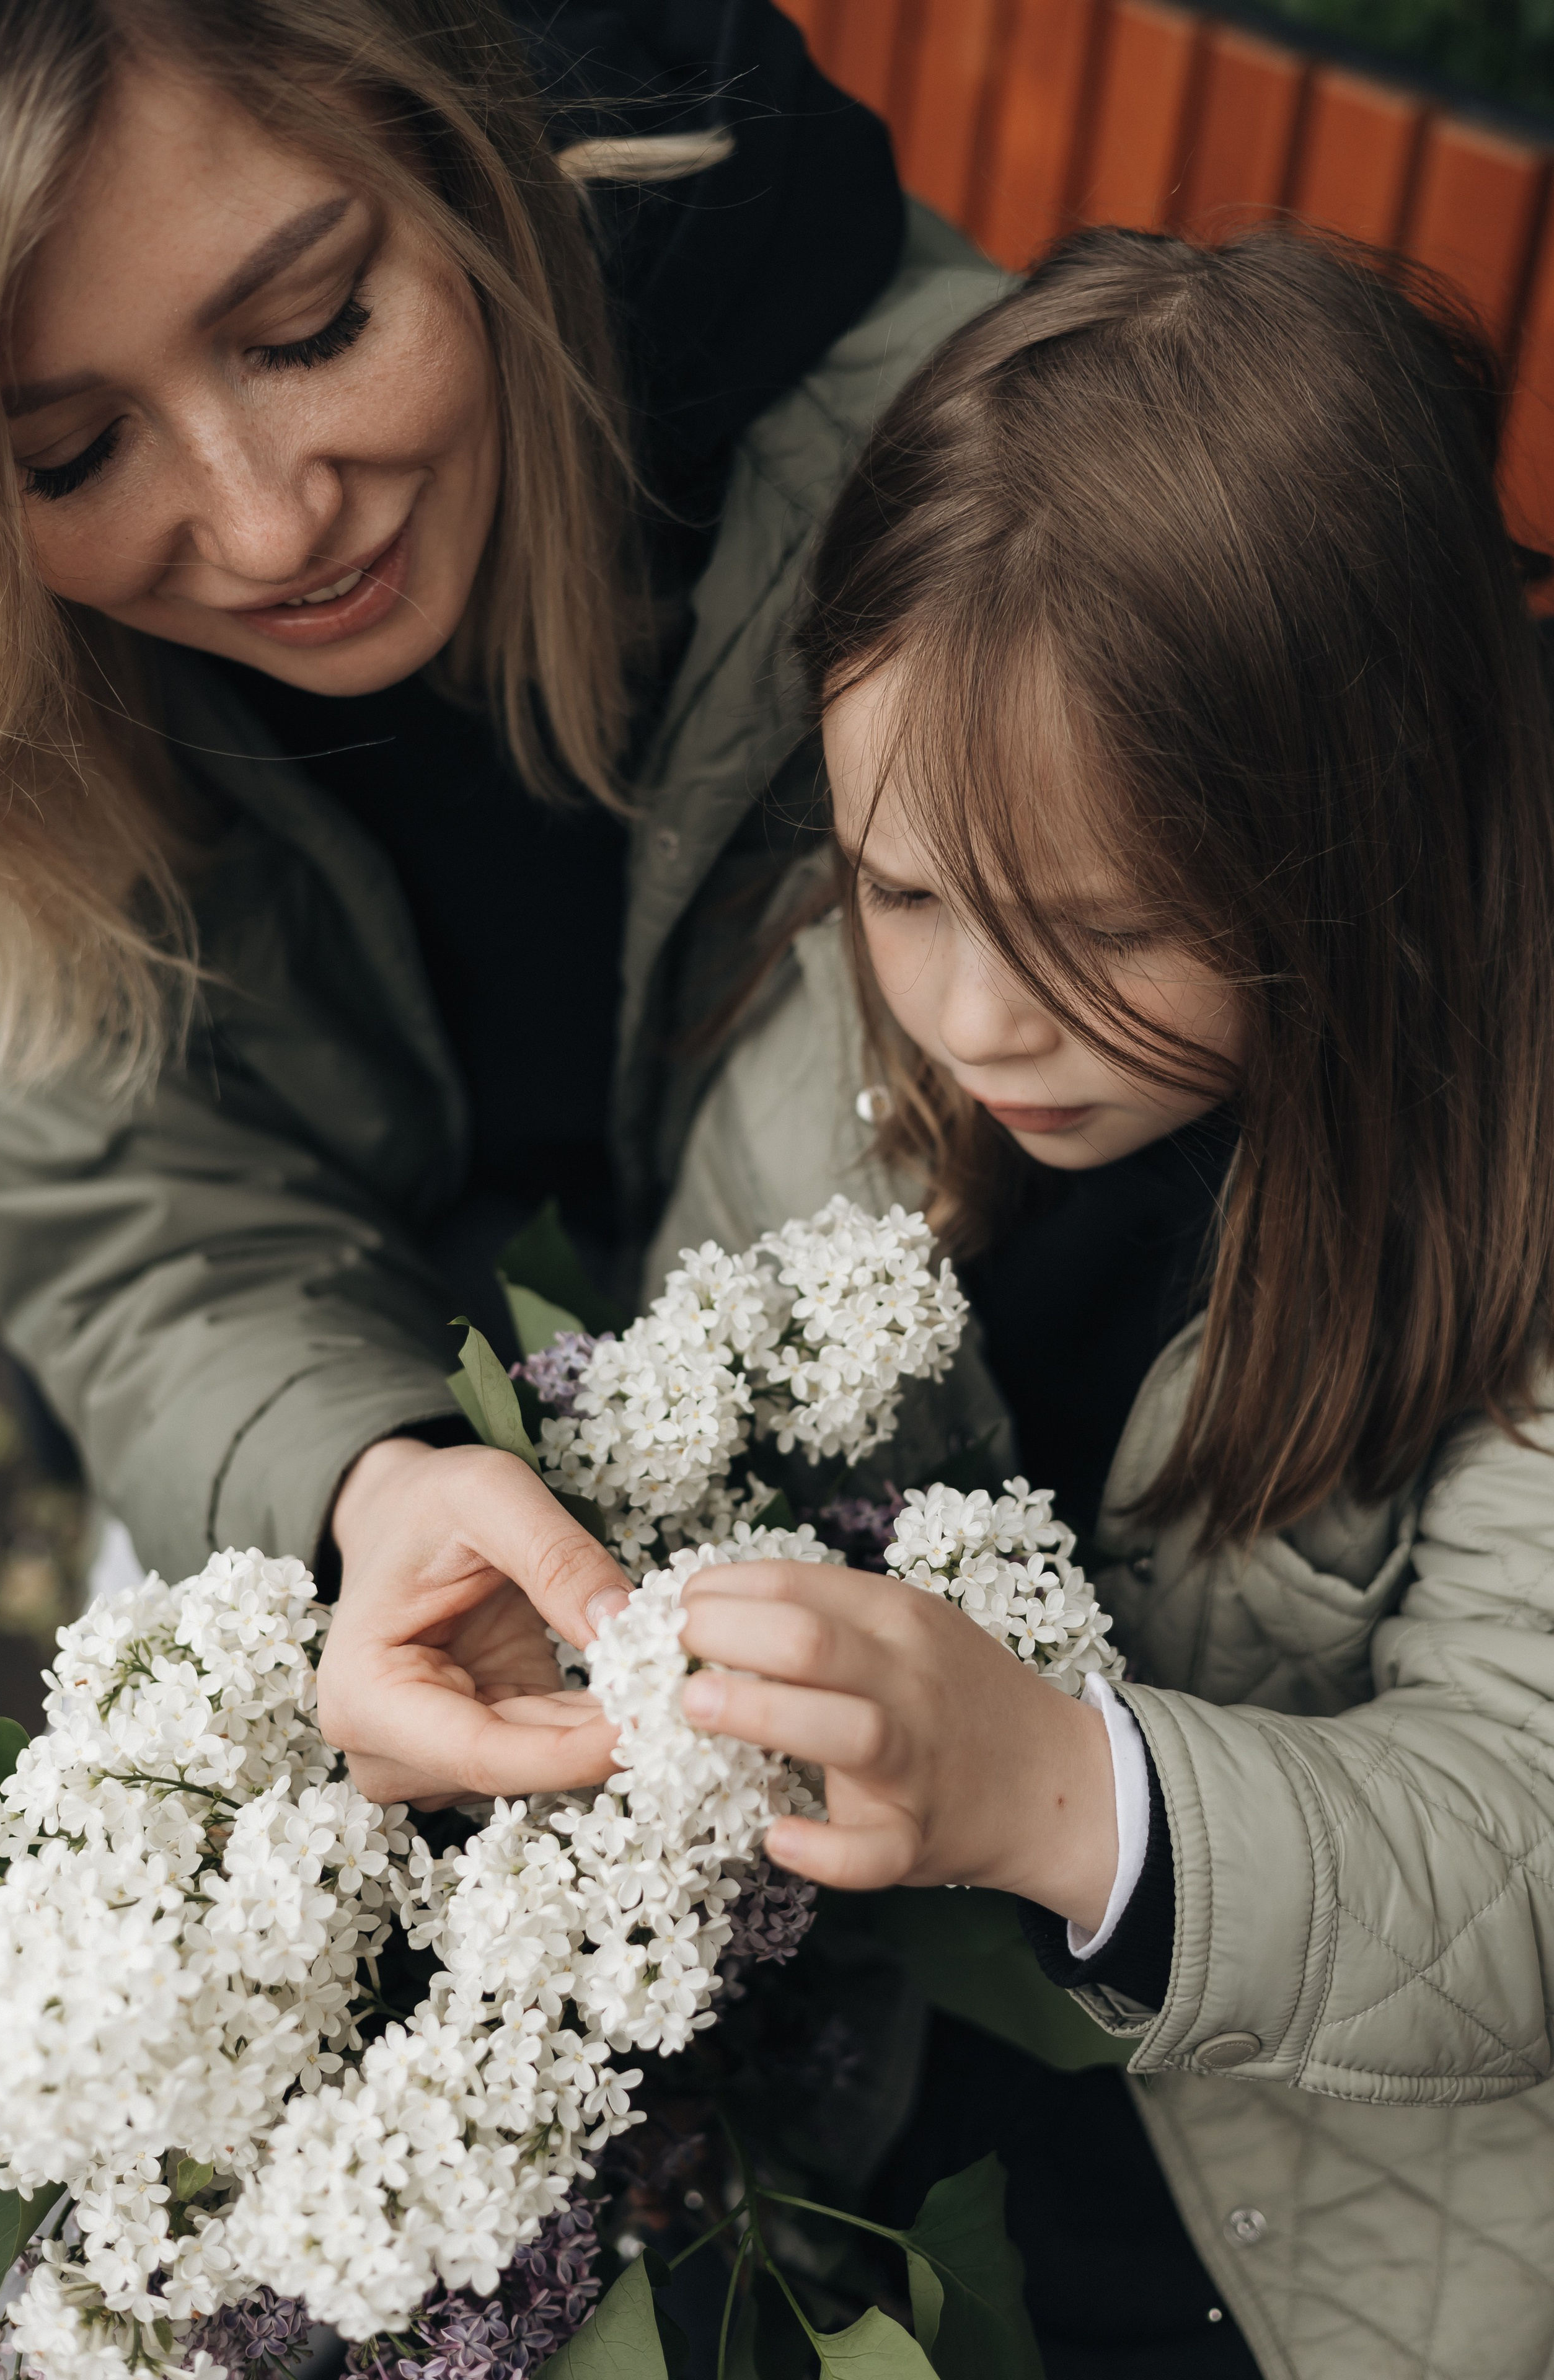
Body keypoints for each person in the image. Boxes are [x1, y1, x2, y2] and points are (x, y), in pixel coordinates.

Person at [643, 229, 1554, 2377]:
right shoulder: (829, 1015)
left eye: (1107, 924)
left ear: (1369, 844)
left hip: (1311, 2264)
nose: (967, 1018)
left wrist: (1061, 1796)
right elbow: (681, 1377)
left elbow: (1524, 1837)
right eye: (907, 885)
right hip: (884, 2175)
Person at [0, 0, 1009, 1805]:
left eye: (314, 329)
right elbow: (125, 1196)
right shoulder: (24, 673)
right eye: (67, 455)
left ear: (457, 147)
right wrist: (364, 1475)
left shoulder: (945, 505)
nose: (270, 522)